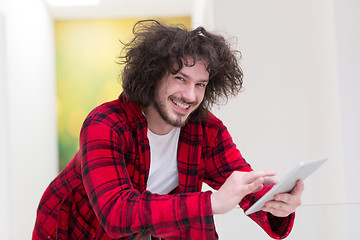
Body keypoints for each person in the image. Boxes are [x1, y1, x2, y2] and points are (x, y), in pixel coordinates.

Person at [32, 19, 303, 240]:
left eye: (200, 84)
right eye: (180, 78)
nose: (189, 95)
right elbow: (116, 211)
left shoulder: (207, 130)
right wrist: (211, 203)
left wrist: (278, 204)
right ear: (153, 75)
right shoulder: (105, 123)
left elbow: (243, 184)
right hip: (72, 231)